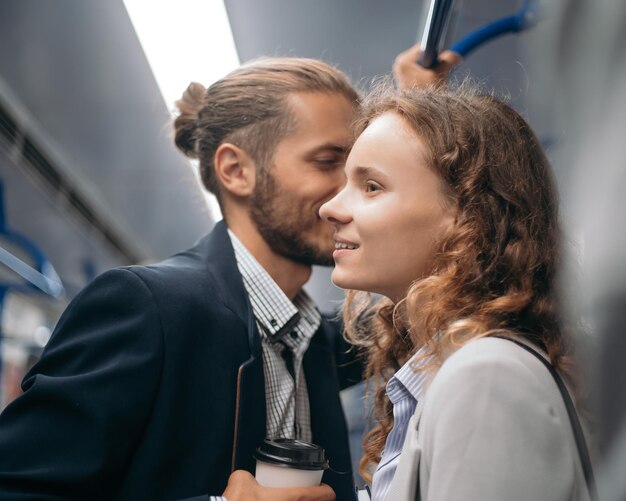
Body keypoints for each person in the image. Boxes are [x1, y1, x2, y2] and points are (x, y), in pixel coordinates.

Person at [0, 57, 361, 501]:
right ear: (236, 171)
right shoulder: (147, 307)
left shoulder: (314, 340)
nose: (352, 189)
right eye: (328, 161)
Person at [319, 85, 593, 500]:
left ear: (467, 216)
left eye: (372, 186)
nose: (331, 208)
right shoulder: (447, 368)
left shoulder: (486, 377)